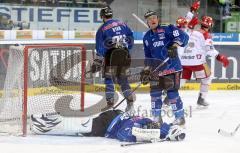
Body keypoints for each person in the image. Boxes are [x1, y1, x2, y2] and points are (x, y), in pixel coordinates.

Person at [140, 10, 189, 126]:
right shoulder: (146, 37)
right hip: (157, 71)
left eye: (154, 17)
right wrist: (146, 70)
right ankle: (157, 119)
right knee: (155, 93)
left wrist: (174, 46)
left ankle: (180, 118)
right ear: (147, 22)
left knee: (172, 93)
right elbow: (148, 57)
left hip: (172, 67)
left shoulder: (168, 28)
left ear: (158, 19)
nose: (152, 20)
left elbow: (184, 37)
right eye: (150, 18)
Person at [30, 110, 186, 142]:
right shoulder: (152, 125)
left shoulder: (154, 127)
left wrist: (152, 135)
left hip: (109, 121)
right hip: (109, 122)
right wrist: (152, 135)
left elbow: (125, 135)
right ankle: (41, 123)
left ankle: (43, 121)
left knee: (80, 127)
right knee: (80, 127)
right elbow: (123, 135)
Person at [91, 6, 135, 112]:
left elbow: (100, 48)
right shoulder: (123, 24)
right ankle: (130, 104)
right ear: (111, 15)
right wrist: (126, 48)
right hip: (125, 55)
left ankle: (110, 103)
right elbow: (131, 38)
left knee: (109, 78)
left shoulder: (102, 29)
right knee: (123, 79)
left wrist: (97, 62)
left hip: (112, 56)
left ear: (102, 16)